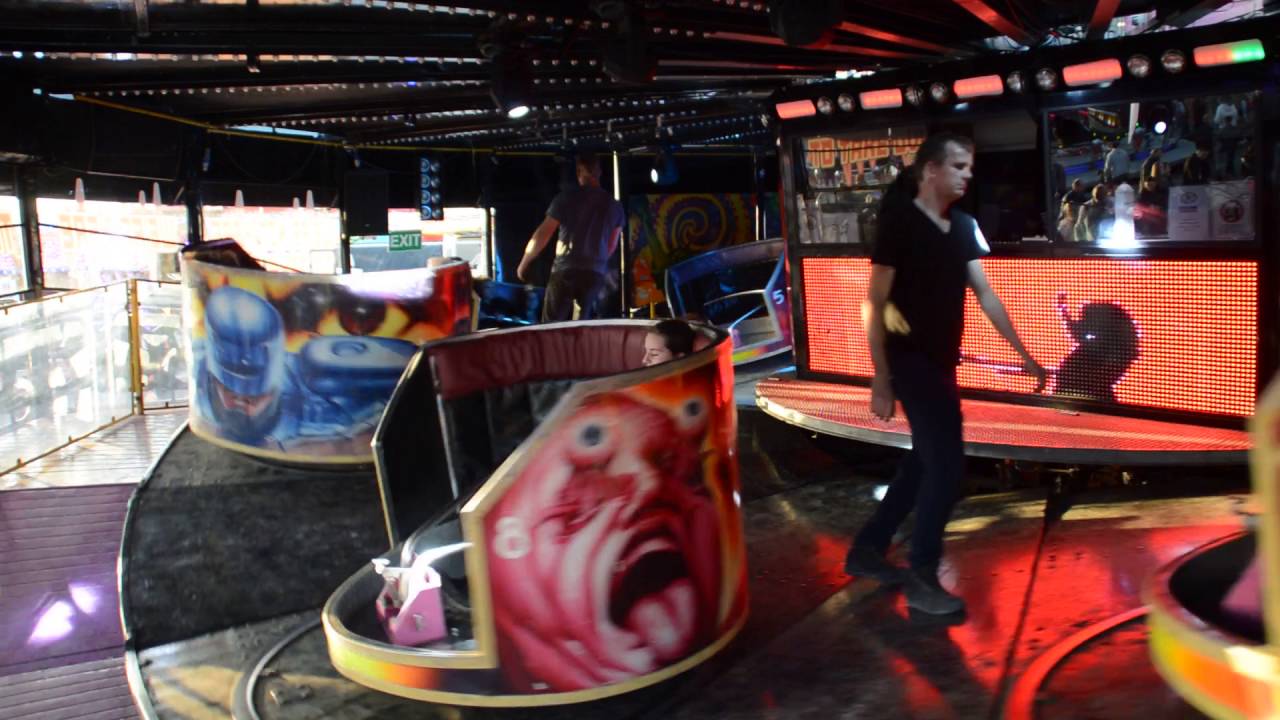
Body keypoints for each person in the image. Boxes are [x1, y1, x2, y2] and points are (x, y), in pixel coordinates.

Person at [845, 132, 1045, 616]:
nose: (967, 174)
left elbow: (986, 294)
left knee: (923, 461)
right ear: (930, 170)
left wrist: (1025, 354)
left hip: (938, 363)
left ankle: (868, 548)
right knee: (948, 466)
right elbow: (874, 303)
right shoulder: (900, 223)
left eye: (970, 167)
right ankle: (921, 573)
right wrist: (880, 376)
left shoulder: (963, 227)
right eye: (958, 165)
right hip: (909, 361)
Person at [517, 152, 625, 322]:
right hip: (594, 273)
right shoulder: (615, 206)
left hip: (565, 269)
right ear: (599, 172)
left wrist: (524, 263)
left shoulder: (566, 199)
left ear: (579, 171)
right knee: (582, 326)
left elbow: (542, 235)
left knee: (552, 328)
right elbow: (612, 245)